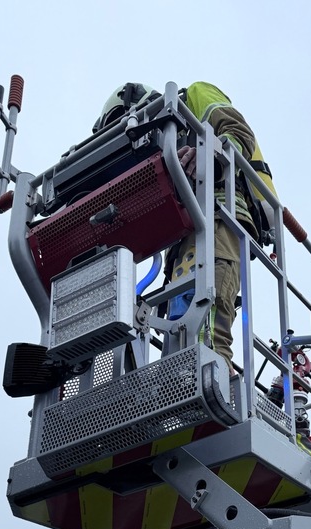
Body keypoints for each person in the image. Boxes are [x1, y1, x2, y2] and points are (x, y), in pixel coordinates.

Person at [93, 82, 276, 374]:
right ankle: (193, 384)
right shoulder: (168, 145)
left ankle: (215, 383)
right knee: (181, 333)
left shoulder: (195, 95)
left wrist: (210, 157)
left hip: (218, 214)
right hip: (188, 231)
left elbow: (238, 132)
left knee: (207, 328)